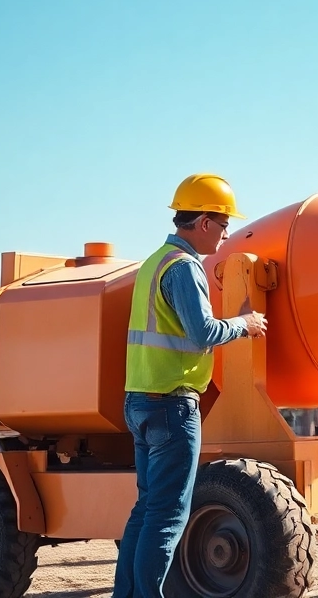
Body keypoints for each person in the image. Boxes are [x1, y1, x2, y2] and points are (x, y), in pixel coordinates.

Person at [113, 174, 267, 598]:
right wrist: (245, 323)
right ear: (202, 221)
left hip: (141, 401)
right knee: (166, 515)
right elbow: (201, 333)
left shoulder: (152, 262)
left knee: (147, 510)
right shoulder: (183, 268)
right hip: (172, 405)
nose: (227, 233)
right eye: (223, 224)